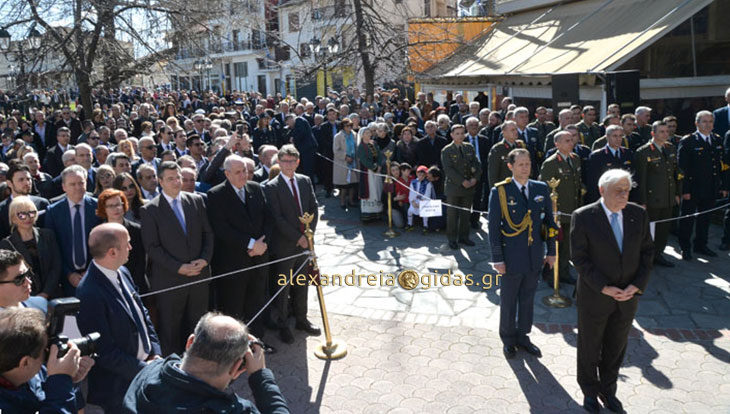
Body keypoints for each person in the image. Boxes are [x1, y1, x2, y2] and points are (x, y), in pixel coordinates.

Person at [570, 169, 653, 413]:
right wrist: (604, 287)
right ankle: (589, 392)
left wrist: (636, 286)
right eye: (619, 191)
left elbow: (648, 253)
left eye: (627, 190)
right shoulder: (584, 216)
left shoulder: (637, 214)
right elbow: (580, 259)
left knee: (616, 347)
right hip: (596, 296)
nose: (624, 195)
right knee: (589, 347)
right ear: (602, 190)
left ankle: (609, 390)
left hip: (627, 297)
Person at [123, 312, 289, 413]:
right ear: (237, 367)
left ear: (190, 342)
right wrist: (261, 378)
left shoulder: (147, 374)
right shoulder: (234, 410)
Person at [76, 223, 161, 413]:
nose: (131, 248)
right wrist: (143, 369)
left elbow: (142, 315)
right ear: (112, 252)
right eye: (128, 244)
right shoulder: (89, 292)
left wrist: (154, 352)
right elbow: (103, 351)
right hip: (118, 387)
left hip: (144, 369)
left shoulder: (122, 271)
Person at [488, 148, 556, 360]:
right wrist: (497, 258)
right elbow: (493, 228)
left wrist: (551, 252)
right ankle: (508, 339)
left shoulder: (540, 188)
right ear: (511, 167)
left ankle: (523, 336)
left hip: (534, 255)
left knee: (528, 298)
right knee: (509, 300)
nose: (525, 168)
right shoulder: (500, 191)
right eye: (520, 164)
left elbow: (549, 224)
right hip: (511, 256)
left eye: (527, 164)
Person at [140, 161, 214, 355]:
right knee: (170, 329)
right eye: (170, 178)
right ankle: (172, 367)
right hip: (170, 281)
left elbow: (208, 234)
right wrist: (178, 267)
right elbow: (152, 248)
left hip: (199, 276)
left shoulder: (196, 201)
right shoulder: (150, 209)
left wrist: (205, 259)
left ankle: (198, 363)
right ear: (160, 181)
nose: (176, 182)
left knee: (198, 325)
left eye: (178, 177)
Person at [207, 155, 271, 340]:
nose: (244, 175)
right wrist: (251, 244)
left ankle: (257, 343)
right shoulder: (216, 195)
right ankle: (235, 349)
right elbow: (222, 229)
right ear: (227, 174)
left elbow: (268, 219)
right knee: (234, 307)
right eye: (238, 172)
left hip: (259, 258)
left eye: (245, 170)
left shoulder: (256, 188)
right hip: (234, 264)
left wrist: (262, 244)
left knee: (257, 303)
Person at [263, 145, 320, 344]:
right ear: (279, 162)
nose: (289, 165)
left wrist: (308, 233)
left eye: (292, 161)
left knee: (302, 283)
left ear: (298, 162)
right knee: (284, 285)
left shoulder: (304, 181)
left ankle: (301, 319)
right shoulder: (271, 187)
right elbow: (277, 218)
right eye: (285, 161)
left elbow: (314, 208)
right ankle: (283, 324)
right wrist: (298, 237)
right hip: (285, 245)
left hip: (305, 244)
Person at [0, 306, 93, 414]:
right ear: (25, 362)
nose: (48, 356)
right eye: (45, 350)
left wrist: (68, 380)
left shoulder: (31, 374)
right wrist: (61, 380)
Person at [677, 110, 728, 260]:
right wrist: (684, 190)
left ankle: (701, 245)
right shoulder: (688, 141)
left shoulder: (717, 139)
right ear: (696, 123)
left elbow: (723, 165)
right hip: (692, 188)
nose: (708, 125)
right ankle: (685, 247)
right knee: (687, 219)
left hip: (710, 187)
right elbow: (682, 169)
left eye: (710, 121)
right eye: (704, 121)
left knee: (705, 218)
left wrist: (724, 186)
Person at [44, 165, 100, 295]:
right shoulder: (53, 211)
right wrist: (68, 274)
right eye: (72, 184)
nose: (78, 187)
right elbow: (53, 248)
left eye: (81, 183)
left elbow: (103, 242)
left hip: (96, 273)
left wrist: (92, 269)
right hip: (67, 280)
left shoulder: (98, 207)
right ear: (64, 187)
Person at [539, 131, 584, 285]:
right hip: (557, 211)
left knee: (567, 246)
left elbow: (577, 182)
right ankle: (550, 274)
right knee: (554, 245)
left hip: (572, 209)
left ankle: (563, 272)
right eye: (566, 140)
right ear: (557, 144)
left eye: (571, 140)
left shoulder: (575, 159)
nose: (571, 143)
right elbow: (545, 189)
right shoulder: (551, 163)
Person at [634, 121, 681, 267]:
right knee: (650, 230)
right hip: (652, 198)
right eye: (661, 131)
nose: (665, 134)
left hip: (668, 197)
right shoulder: (644, 151)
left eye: (667, 131)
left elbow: (675, 173)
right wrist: (642, 200)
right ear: (653, 133)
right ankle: (646, 257)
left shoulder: (671, 148)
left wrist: (677, 193)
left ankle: (658, 254)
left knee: (663, 229)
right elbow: (641, 179)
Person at [0, 196, 62, 298]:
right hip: (25, 298)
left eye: (31, 213)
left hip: (53, 294)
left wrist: (45, 293)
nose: (28, 218)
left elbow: (56, 265)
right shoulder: (6, 244)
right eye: (22, 215)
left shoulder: (47, 235)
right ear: (13, 218)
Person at [96, 189, 148, 293]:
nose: (116, 209)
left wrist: (131, 286)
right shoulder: (98, 233)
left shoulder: (137, 230)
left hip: (135, 286)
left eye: (119, 204)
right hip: (108, 288)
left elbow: (141, 262)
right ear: (104, 209)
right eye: (111, 206)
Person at [442, 124, 481, 249]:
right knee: (453, 215)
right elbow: (448, 170)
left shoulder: (469, 147)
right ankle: (452, 239)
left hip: (469, 187)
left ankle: (464, 237)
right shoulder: (447, 150)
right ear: (452, 135)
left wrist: (475, 178)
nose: (460, 136)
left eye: (462, 133)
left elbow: (477, 164)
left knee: (466, 214)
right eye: (457, 133)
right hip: (454, 188)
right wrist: (462, 181)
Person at [585, 125, 634, 204]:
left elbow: (633, 176)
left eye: (620, 136)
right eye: (614, 136)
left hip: (624, 197)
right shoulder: (597, 156)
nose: (618, 139)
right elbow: (593, 182)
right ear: (607, 137)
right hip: (606, 197)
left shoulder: (628, 153)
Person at [0, 162, 50, 239]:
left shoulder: (42, 203)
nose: (27, 183)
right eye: (21, 180)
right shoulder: (2, 209)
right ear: (9, 183)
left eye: (28, 179)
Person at [356, 126, 384, 222]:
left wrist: (379, 165)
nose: (369, 134)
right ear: (362, 135)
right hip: (368, 172)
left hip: (377, 171)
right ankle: (367, 214)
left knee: (377, 189)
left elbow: (380, 155)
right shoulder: (360, 147)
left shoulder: (374, 143)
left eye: (369, 133)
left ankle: (377, 213)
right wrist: (374, 167)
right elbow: (364, 160)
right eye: (366, 133)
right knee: (370, 191)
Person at [487, 121, 526, 188]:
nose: (516, 132)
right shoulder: (498, 149)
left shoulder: (520, 146)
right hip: (506, 187)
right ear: (504, 132)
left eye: (516, 129)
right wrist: (495, 191)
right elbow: (493, 174)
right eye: (512, 130)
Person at [332, 118, 359, 210]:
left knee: (352, 184)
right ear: (343, 126)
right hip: (343, 163)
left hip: (354, 162)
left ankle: (351, 201)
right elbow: (336, 150)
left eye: (351, 125)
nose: (350, 127)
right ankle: (342, 202)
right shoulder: (338, 136)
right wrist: (345, 157)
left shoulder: (355, 135)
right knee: (344, 185)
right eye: (347, 126)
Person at [406, 165, 435, 232]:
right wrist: (412, 201)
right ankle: (410, 224)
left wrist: (421, 203)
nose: (421, 177)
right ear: (416, 173)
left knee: (425, 213)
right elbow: (411, 193)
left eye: (423, 175)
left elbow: (427, 195)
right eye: (419, 174)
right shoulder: (413, 182)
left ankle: (425, 225)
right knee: (410, 211)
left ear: (425, 175)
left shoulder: (428, 184)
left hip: (424, 201)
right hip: (415, 200)